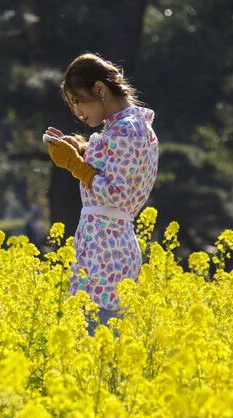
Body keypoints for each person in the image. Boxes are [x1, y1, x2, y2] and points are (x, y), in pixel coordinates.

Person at [43, 53, 159, 331]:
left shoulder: (127, 130)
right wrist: (79, 148)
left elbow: (118, 193)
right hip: (103, 242)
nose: (77, 112)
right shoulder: (122, 127)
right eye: (71, 105)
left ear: (99, 89)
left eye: (78, 101)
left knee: (97, 335)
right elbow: (114, 166)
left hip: (108, 247)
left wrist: (75, 164)